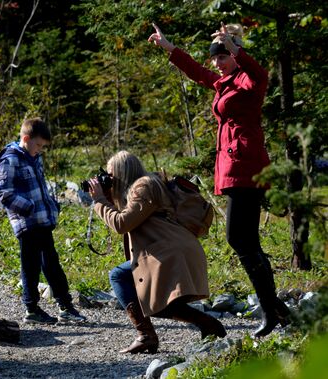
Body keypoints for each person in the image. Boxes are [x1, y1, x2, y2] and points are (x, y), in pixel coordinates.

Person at [148, 22, 290, 338]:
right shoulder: (225, 82)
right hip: (233, 170)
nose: (216, 63)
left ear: (235, 55)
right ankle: (277, 310)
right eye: (215, 58)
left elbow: (260, 75)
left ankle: (272, 310)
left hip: (246, 169)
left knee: (239, 240)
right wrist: (171, 49)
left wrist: (238, 50)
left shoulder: (249, 81)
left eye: (221, 57)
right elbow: (199, 73)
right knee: (247, 242)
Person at [89, 151, 226, 354]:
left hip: (171, 252)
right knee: (157, 301)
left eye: (111, 175)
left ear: (122, 172)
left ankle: (147, 335)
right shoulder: (145, 185)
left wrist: (100, 199)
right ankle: (206, 325)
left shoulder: (144, 186)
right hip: (167, 250)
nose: (109, 180)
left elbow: (121, 223)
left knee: (124, 279)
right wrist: (108, 196)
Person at [0, 118, 86, 324]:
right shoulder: (10, 160)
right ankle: (32, 308)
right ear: (26, 139)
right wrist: (29, 208)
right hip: (27, 223)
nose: (40, 150)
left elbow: (41, 188)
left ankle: (65, 304)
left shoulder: (34, 157)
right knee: (31, 264)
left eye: (43, 147)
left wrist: (51, 206)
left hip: (42, 220)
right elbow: (5, 194)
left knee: (51, 262)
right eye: (38, 145)